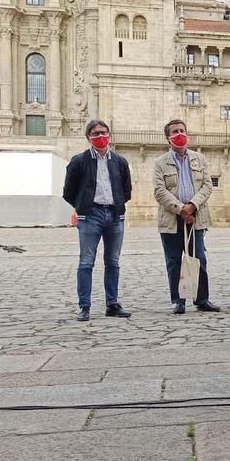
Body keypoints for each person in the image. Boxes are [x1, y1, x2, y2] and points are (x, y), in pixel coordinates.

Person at [62, 119, 132, 322]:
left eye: (103, 133)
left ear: (109, 135)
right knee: (86, 262)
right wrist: (84, 206)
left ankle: (112, 304)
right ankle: (84, 306)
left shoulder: (119, 161)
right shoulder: (79, 161)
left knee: (113, 261)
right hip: (90, 216)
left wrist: (117, 203)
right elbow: (68, 191)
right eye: (96, 134)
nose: (100, 137)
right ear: (88, 137)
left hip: (114, 215)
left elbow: (126, 189)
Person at [152, 119, 220, 314]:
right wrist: (181, 208)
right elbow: (159, 191)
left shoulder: (200, 159)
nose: (179, 134)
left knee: (198, 258)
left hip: (196, 217)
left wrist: (192, 206)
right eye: (175, 131)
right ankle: (178, 301)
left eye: (182, 130)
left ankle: (202, 299)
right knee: (173, 261)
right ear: (168, 138)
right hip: (172, 219)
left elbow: (207, 186)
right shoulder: (160, 163)